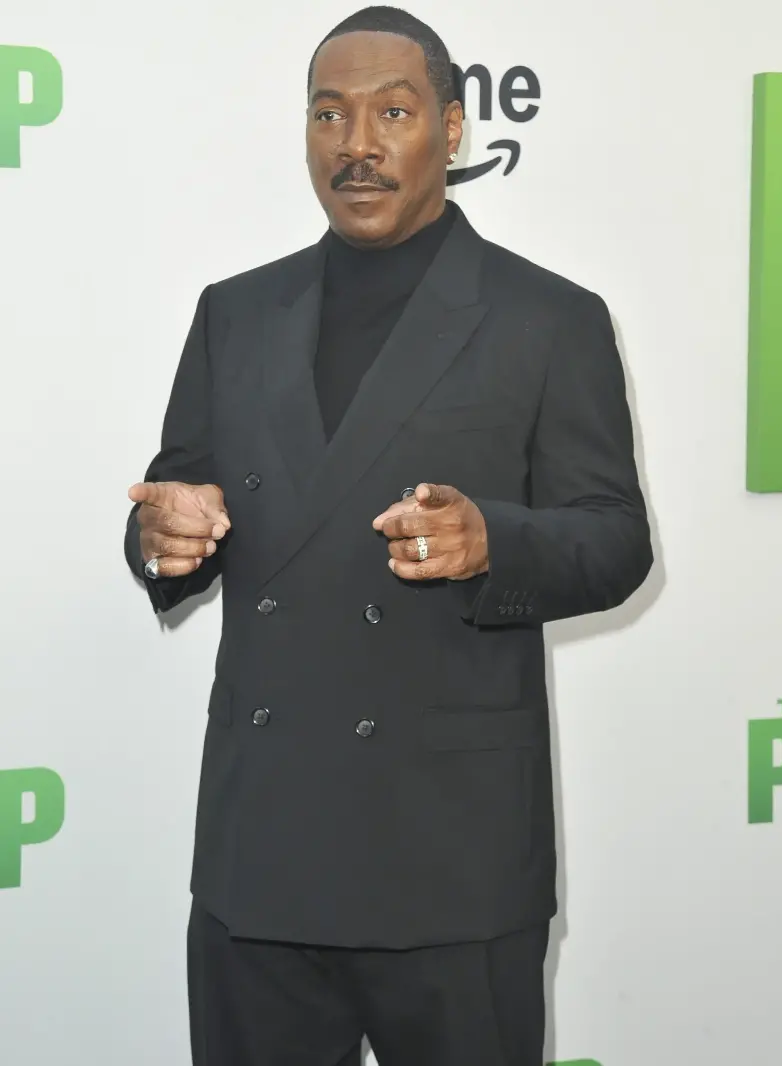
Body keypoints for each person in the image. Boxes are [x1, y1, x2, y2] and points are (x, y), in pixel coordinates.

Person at [124, 6, 653, 1064]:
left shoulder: (548, 318)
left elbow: (615, 540)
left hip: (453, 861)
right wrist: (161, 540)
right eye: (328, 114)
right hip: (260, 857)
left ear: (451, 130)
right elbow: (178, 499)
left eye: (393, 113)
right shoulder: (235, 313)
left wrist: (492, 541)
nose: (355, 145)